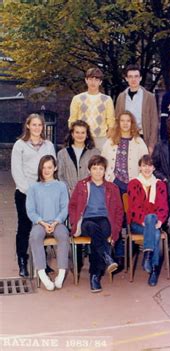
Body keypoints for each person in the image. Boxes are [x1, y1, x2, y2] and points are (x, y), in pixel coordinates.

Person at [68, 155, 123, 293]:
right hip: (86, 220)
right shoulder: (82, 185)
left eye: (101, 169)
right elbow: (73, 206)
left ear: (105, 171)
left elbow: (118, 211)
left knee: (100, 233)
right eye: (94, 168)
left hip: (105, 219)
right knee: (92, 228)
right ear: (89, 170)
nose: (98, 172)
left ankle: (95, 275)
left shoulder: (112, 188)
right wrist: (74, 222)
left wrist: (115, 230)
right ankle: (106, 257)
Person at [101, 111, 148, 269]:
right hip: (114, 184)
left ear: (132, 123)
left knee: (131, 217)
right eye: (122, 121)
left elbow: (145, 164)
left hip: (133, 185)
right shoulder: (110, 142)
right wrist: (111, 179)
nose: (125, 124)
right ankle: (119, 254)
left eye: (128, 121)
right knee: (116, 218)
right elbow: (103, 163)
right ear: (118, 123)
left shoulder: (139, 142)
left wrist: (137, 182)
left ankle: (132, 250)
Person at [11, 113, 56, 277]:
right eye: (34, 124)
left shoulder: (48, 145)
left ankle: (42, 262)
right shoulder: (19, 145)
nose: (37, 128)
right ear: (28, 126)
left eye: (40, 125)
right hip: (25, 192)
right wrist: (28, 190)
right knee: (24, 227)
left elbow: (52, 166)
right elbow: (16, 170)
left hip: (44, 192)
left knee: (42, 227)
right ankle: (22, 260)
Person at [26, 155, 69, 291]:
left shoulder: (61, 186)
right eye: (44, 167)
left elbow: (65, 207)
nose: (46, 170)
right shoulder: (34, 187)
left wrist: (57, 221)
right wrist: (42, 223)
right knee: (35, 236)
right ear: (40, 169)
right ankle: (42, 274)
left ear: (55, 168)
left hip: (57, 222)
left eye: (49, 167)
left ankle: (61, 274)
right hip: (40, 223)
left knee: (63, 235)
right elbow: (31, 210)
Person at [126, 155, 169, 286]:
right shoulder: (133, 183)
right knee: (151, 221)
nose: (147, 168)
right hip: (137, 223)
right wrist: (143, 220)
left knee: (154, 229)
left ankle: (149, 260)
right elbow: (134, 206)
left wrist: (160, 221)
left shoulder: (160, 184)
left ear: (154, 167)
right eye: (144, 165)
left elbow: (163, 206)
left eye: (150, 165)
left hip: (154, 223)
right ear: (139, 167)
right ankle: (153, 267)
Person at [115, 64, 159, 152]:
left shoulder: (149, 97)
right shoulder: (121, 97)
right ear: (126, 79)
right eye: (130, 77)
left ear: (140, 78)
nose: (133, 79)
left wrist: (151, 144)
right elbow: (117, 119)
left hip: (142, 136)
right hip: (125, 137)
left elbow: (154, 122)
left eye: (136, 76)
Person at [68, 67, 115, 149]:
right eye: (90, 79)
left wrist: (106, 138)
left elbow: (111, 122)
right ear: (86, 80)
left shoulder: (107, 100)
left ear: (100, 82)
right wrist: (75, 136)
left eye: (96, 80)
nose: (93, 82)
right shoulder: (77, 99)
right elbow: (72, 120)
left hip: (101, 139)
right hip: (82, 138)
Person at [58, 120, 101, 194]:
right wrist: (68, 189)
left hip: (90, 194)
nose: (80, 135)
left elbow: (99, 173)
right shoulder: (62, 154)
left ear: (87, 134)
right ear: (72, 134)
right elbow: (60, 175)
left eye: (83, 132)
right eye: (77, 132)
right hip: (69, 195)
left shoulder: (95, 153)